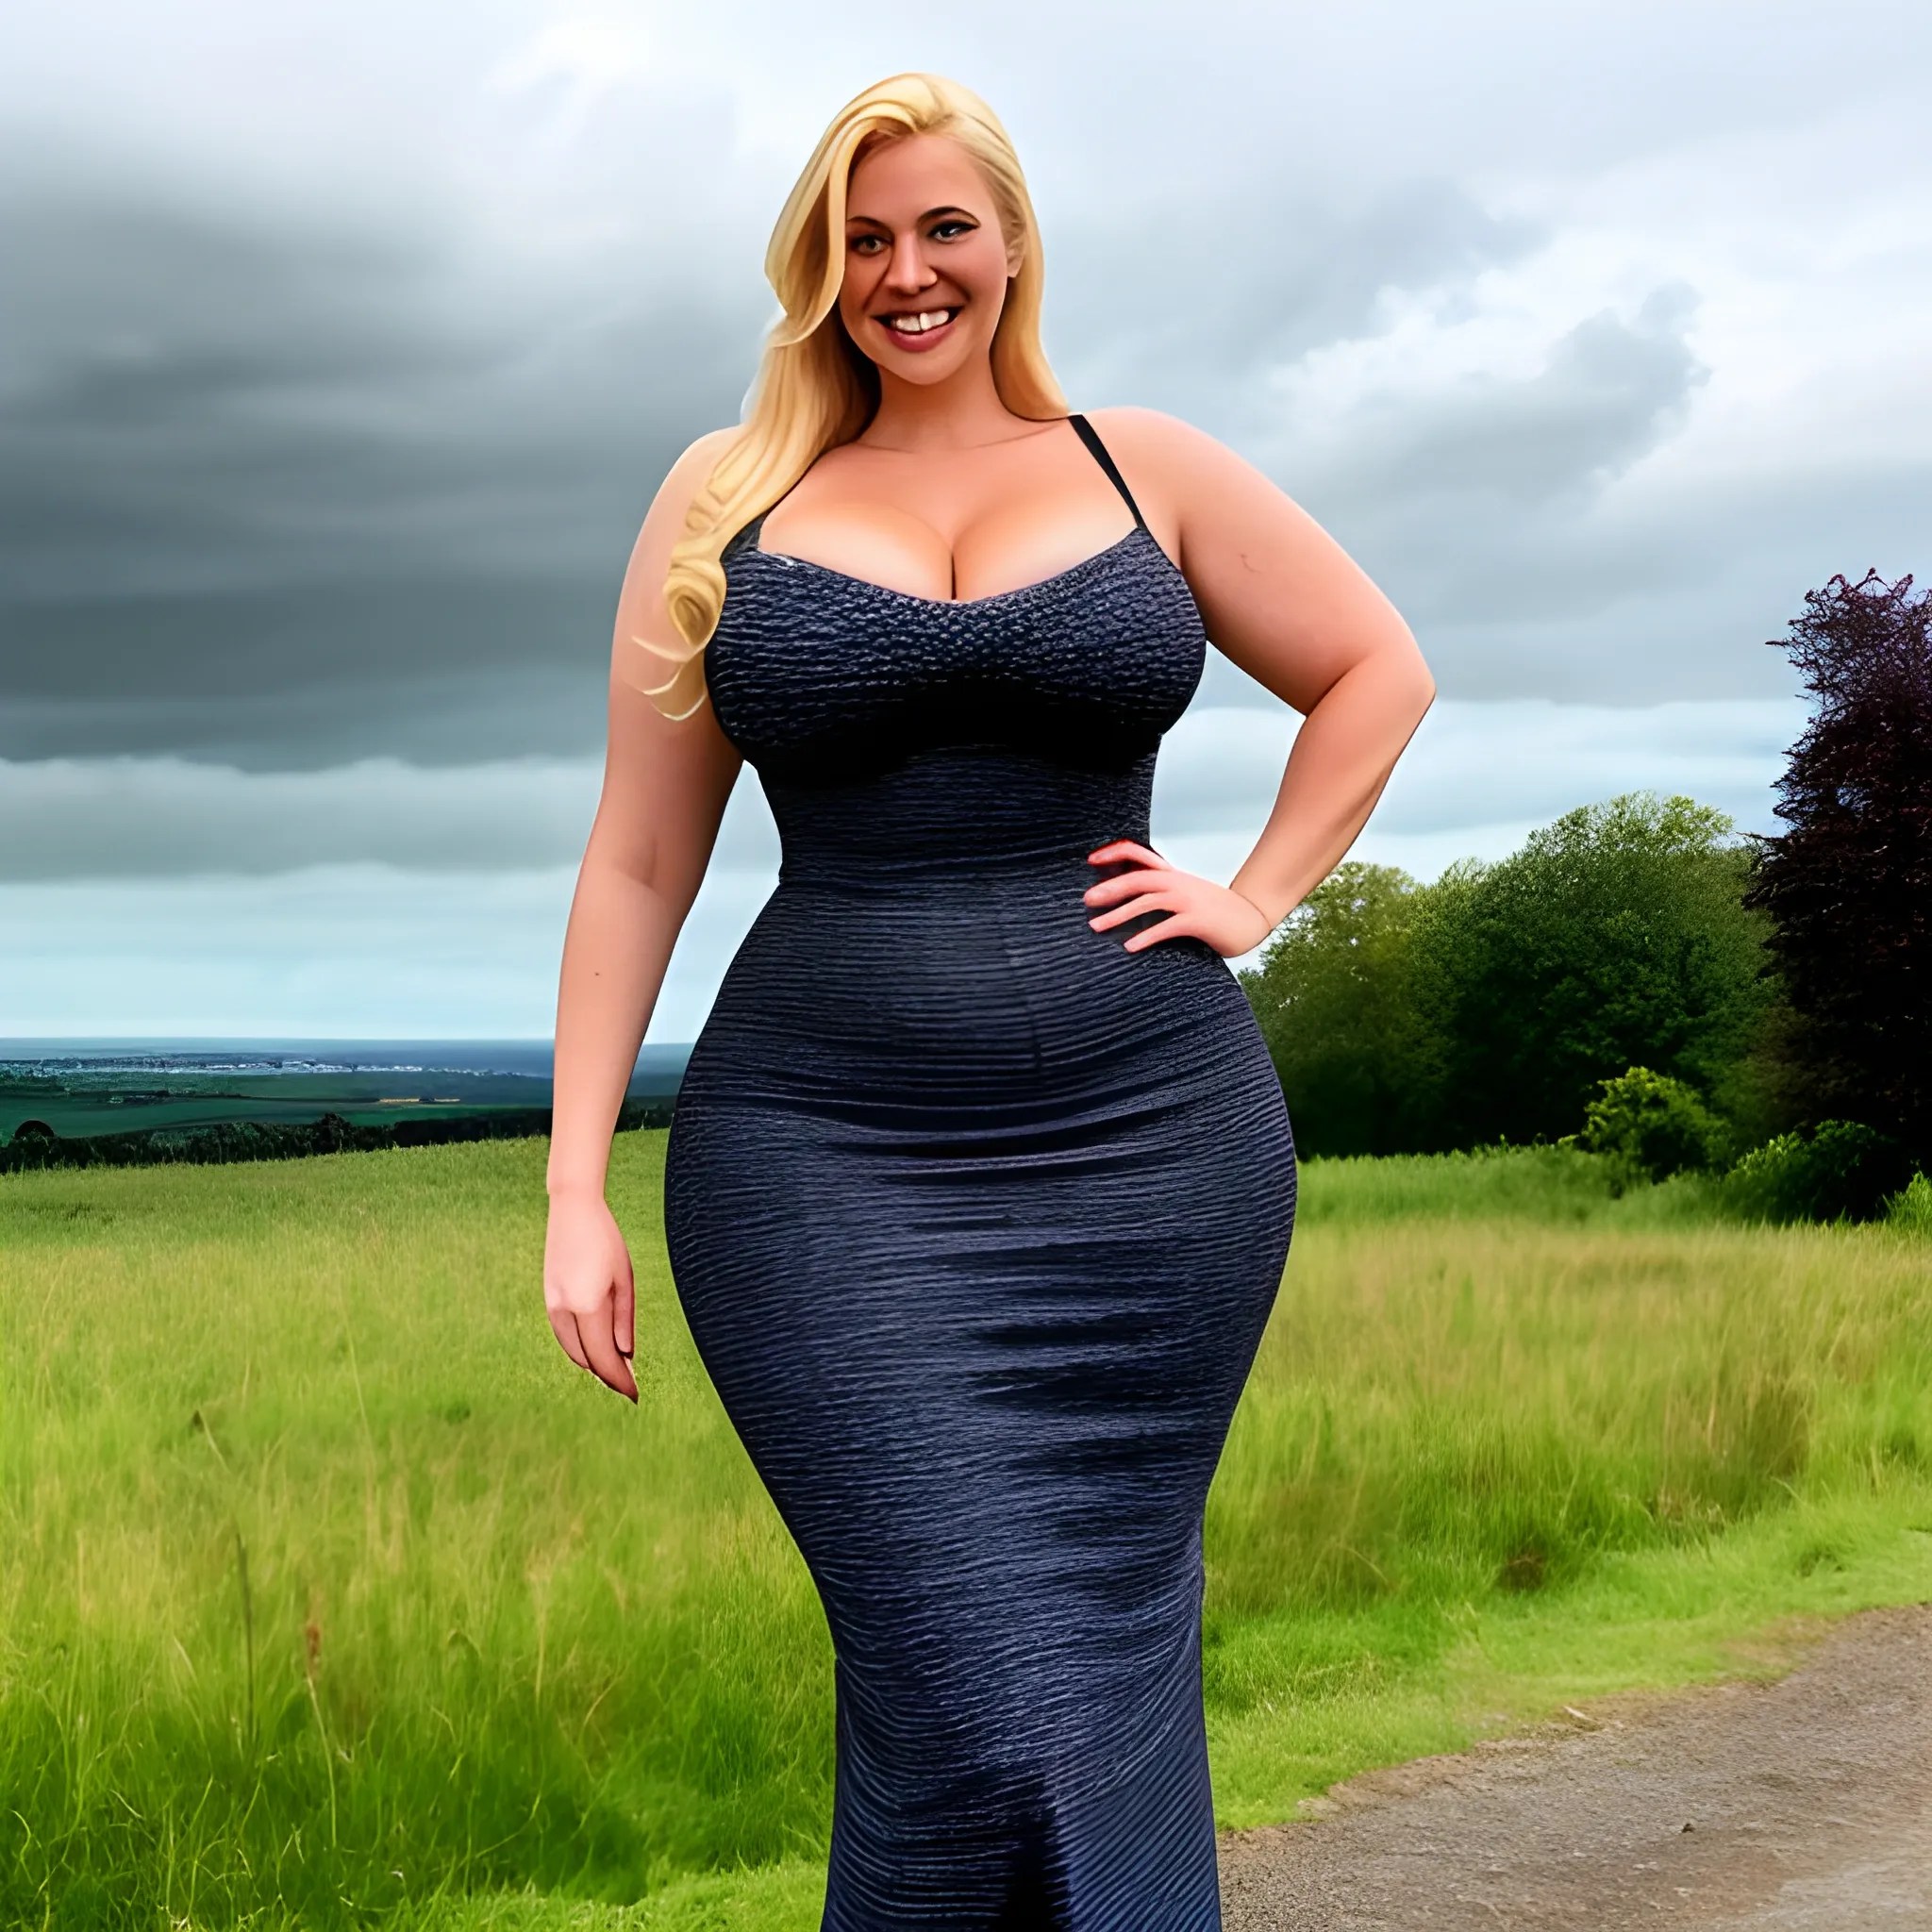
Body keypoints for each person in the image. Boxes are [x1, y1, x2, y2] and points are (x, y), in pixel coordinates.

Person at [544, 70, 1435, 1931]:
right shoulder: (729, 497)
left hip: (1150, 1153)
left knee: (1094, 1681)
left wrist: (1256, 892)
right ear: (818, 266)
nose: (905, 270)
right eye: (861, 238)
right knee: (966, 1695)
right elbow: (640, 856)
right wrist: (569, 1188)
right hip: (821, 1164)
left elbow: (1375, 669)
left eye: (943, 225)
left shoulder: (1146, 467)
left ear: (1014, 243)